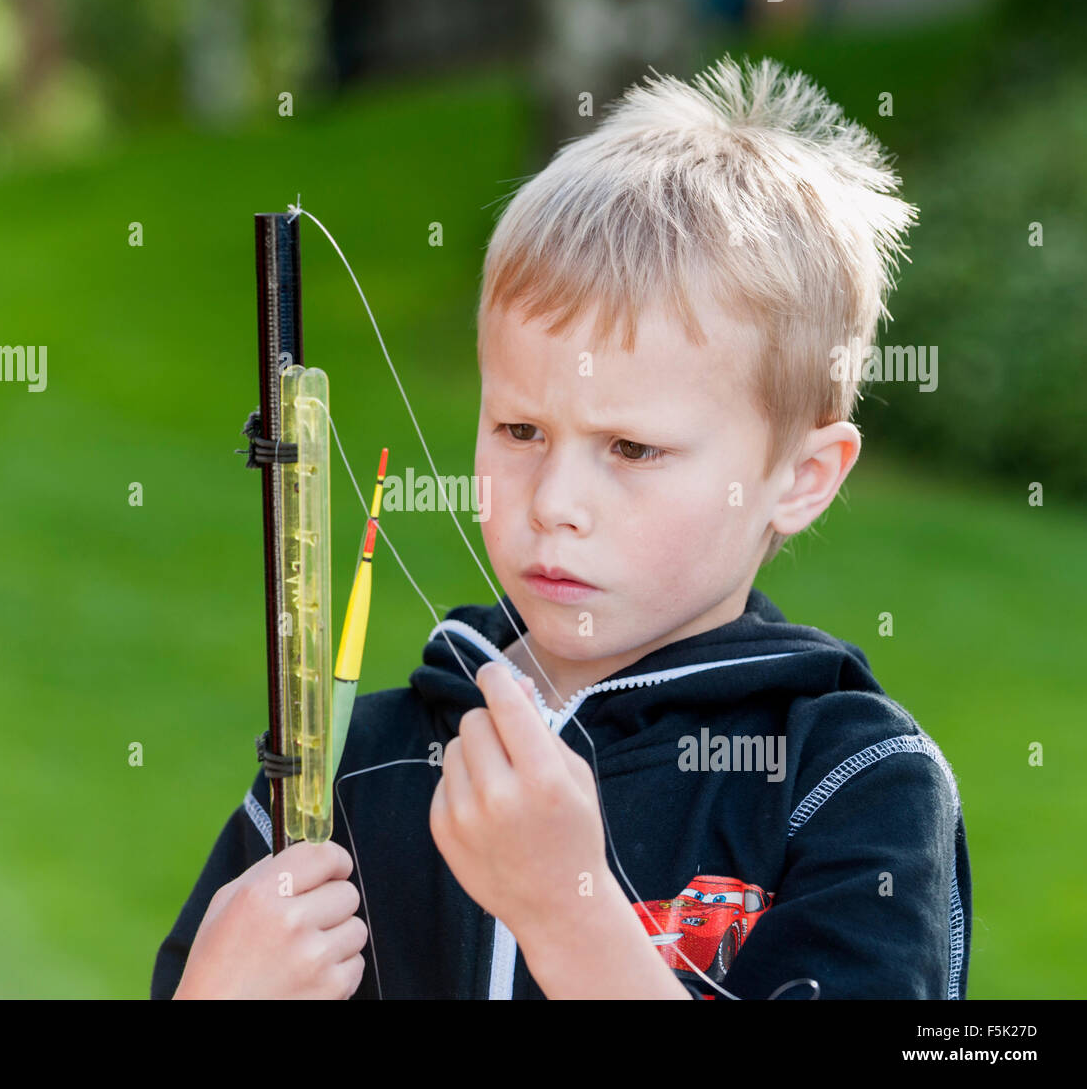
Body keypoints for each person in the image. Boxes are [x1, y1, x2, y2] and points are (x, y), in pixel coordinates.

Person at [152, 55, 971, 1000]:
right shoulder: (342, 774)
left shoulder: (853, 785)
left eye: (630, 447)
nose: (554, 500)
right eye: (520, 429)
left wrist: (569, 914)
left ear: (801, 478)